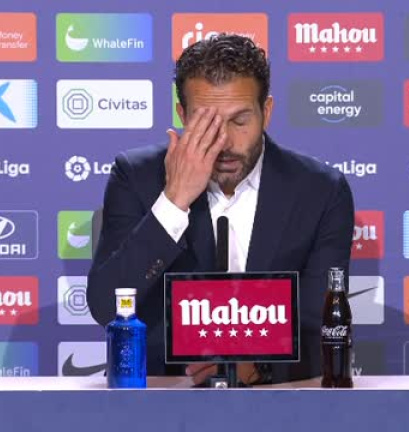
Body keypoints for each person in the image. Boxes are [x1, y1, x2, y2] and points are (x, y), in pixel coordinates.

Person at [87, 34, 355, 385]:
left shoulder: (320, 190)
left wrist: (255, 365)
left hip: (276, 396)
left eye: (240, 121)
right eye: (207, 123)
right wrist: (174, 200)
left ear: (266, 112)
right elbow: (107, 306)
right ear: (182, 115)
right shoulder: (137, 177)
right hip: (163, 392)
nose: (225, 142)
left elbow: (319, 324)